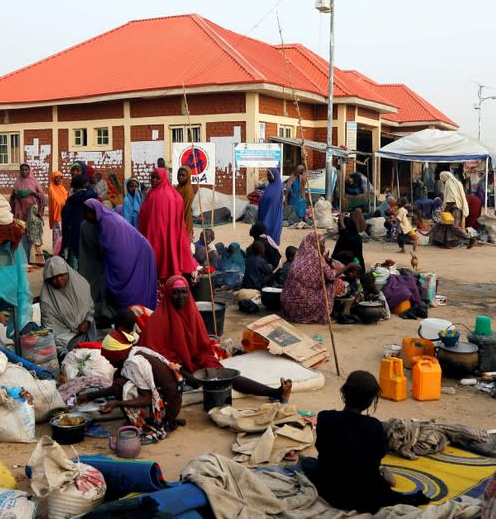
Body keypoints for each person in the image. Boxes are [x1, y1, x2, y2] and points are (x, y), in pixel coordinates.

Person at [139, 276, 291, 401]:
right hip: (171, 366)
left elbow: (202, 347)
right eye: (176, 293)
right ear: (168, 294)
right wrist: (184, 372)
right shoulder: (158, 319)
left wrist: (206, 365)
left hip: (194, 360)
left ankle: (275, 392)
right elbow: (152, 354)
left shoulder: (192, 314)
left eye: (184, 292)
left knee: (224, 375)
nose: (180, 297)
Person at [302, 371, 431, 514]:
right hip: (364, 496)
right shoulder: (374, 426)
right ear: (370, 401)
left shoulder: (325, 418)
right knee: (371, 478)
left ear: (343, 392)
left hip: (330, 490)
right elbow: (377, 456)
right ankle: (383, 477)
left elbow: (322, 448)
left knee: (308, 463)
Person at [82, 199, 157, 311]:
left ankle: (139, 312)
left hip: (140, 253)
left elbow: (116, 255)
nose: (85, 216)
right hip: (135, 251)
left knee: (131, 283)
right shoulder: (101, 222)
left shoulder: (107, 223)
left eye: (88, 213)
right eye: (84, 213)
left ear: (96, 211)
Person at [281, 232, 356, 324]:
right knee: (332, 283)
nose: (324, 247)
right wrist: (349, 266)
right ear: (315, 244)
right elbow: (331, 276)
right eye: (322, 243)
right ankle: (323, 313)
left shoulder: (300, 255)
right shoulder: (316, 257)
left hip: (288, 306)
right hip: (304, 304)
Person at [138, 168, 196, 281]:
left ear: (163, 178)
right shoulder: (171, 194)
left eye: (157, 178)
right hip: (164, 234)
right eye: (152, 177)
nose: (154, 180)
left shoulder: (158, 195)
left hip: (158, 235)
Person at [40, 256, 98, 358]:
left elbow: (90, 308)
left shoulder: (82, 285)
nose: (58, 279)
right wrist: (61, 350)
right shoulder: (47, 300)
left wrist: (87, 321)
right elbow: (50, 327)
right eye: (54, 277)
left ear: (68, 273)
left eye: (62, 275)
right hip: (65, 342)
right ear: (48, 279)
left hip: (87, 334)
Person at [60, 175, 97, 267]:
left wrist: (65, 242)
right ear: (85, 184)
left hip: (74, 229)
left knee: (76, 253)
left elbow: (65, 220)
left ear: (72, 186)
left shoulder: (70, 200)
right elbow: (93, 192)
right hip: (89, 228)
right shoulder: (91, 195)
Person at [258, 168, 284, 244]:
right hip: (265, 215)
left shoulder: (278, 188)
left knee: (270, 238)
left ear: (274, 176)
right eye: (267, 175)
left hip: (272, 218)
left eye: (269, 175)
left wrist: (266, 222)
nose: (268, 177)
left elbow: (273, 205)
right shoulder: (269, 186)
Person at [48, 171, 69, 254]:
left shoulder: (63, 189)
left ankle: (63, 252)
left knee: (64, 235)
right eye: (57, 178)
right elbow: (57, 202)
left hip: (64, 216)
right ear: (53, 179)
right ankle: (57, 253)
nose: (59, 180)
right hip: (57, 216)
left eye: (60, 178)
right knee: (57, 236)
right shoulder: (52, 189)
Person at [175, 166, 195, 238]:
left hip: (184, 222)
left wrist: (182, 227)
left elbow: (185, 210)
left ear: (188, 177)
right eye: (179, 175)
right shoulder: (178, 188)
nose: (180, 177)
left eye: (183, 175)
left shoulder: (187, 190)